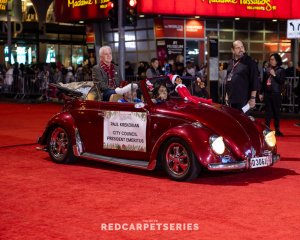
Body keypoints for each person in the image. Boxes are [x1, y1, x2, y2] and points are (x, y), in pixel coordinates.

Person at [225, 40, 260, 112]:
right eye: (238, 48)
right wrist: (227, 95)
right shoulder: (230, 62)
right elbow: (228, 79)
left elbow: (254, 81)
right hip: (231, 99)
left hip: (244, 100)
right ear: (233, 50)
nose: (241, 49)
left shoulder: (250, 62)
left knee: (243, 121)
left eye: (242, 47)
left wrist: (253, 98)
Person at [259, 53, 286, 136]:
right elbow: (263, 82)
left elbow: (281, 81)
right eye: (270, 59)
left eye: (272, 59)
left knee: (276, 112)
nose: (271, 61)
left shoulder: (281, 70)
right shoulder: (267, 70)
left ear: (277, 61)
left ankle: (277, 129)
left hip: (276, 93)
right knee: (268, 113)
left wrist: (274, 75)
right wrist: (261, 93)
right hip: (267, 93)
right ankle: (267, 129)